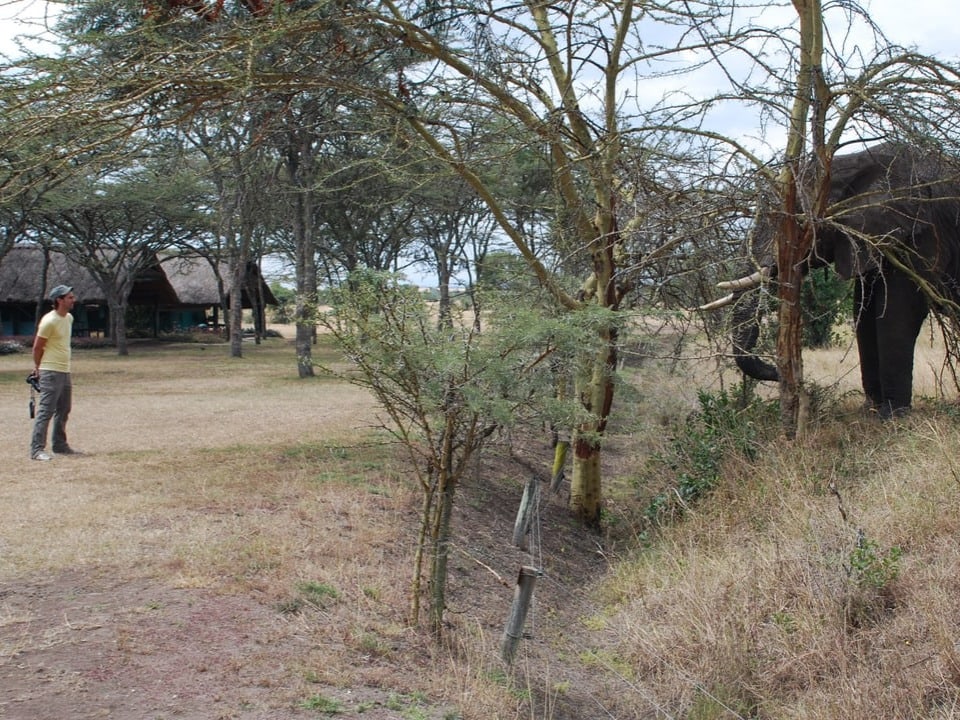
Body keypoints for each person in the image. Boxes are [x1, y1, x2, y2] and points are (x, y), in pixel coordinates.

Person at [30, 285, 80, 461]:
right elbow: (37, 347)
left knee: (64, 409)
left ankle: (59, 444)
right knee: (46, 410)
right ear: (59, 300)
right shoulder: (49, 321)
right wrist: (38, 367)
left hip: (64, 370)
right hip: (50, 370)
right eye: (69, 297)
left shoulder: (69, 318)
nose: (73, 300)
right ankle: (36, 450)